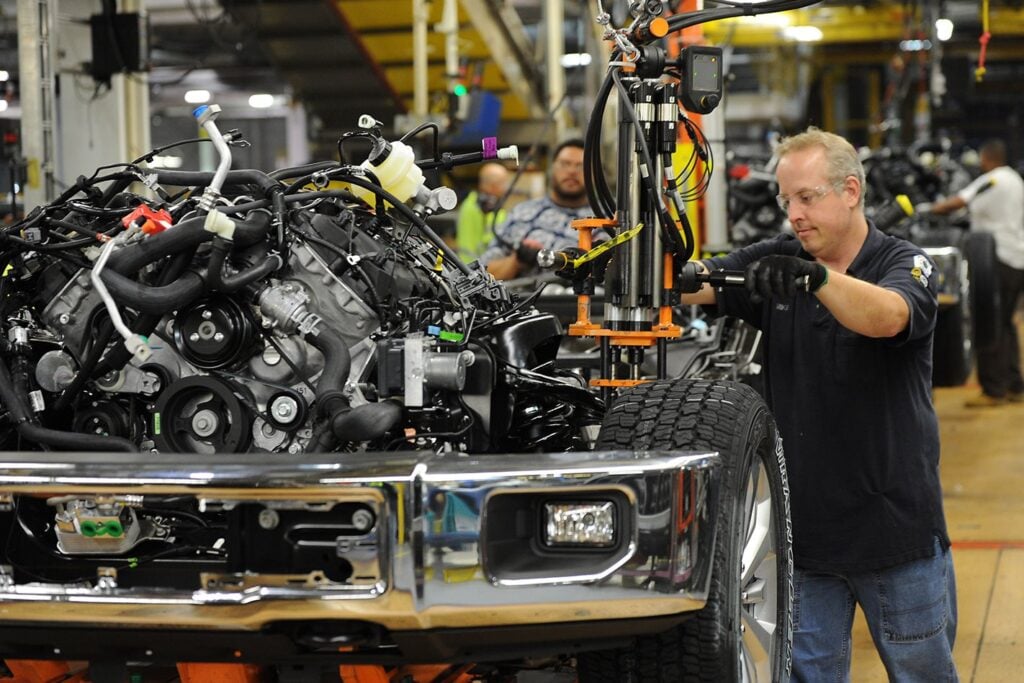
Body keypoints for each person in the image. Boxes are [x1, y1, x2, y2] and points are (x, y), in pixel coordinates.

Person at [682, 128, 958, 682]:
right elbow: (698, 286)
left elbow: (889, 316)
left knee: (922, 672)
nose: (795, 215)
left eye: (808, 198)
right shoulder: (780, 260)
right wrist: (642, 265)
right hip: (806, 540)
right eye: (788, 201)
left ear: (850, 190)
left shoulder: (903, 262)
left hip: (895, 532)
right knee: (808, 676)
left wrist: (817, 280)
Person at [928, 139, 1024, 407]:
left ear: (987, 158)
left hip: (998, 258)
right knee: (1005, 323)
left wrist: (928, 209)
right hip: (1017, 257)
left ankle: (994, 390)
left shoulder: (991, 180)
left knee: (988, 322)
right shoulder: (1014, 179)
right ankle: (1015, 385)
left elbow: (959, 201)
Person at [481, 139, 591, 280]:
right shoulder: (522, 215)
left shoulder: (606, 220)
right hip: (526, 299)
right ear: (552, 168)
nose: (571, 171)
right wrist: (516, 261)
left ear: (593, 171)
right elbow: (484, 275)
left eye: (580, 166)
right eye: (565, 164)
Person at [455, 162, 511, 262]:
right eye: (503, 183)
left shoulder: (495, 207)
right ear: (492, 186)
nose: (506, 188)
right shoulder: (473, 208)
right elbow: (469, 249)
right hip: (476, 270)